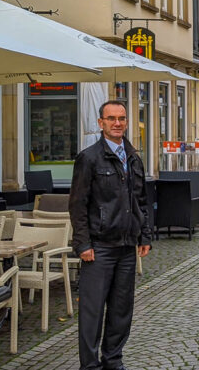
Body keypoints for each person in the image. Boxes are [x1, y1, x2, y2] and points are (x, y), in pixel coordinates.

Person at [69, 100, 152, 370]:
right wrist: (82, 243)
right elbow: (78, 204)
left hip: (127, 245)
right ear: (101, 123)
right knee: (92, 312)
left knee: (121, 310)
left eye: (122, 118)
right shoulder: (89, 157)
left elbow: (141, 199)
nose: (118, 123)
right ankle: (90, 365)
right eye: (112, 118)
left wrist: (145, 235)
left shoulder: (133, 157)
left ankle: (113, 360)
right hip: (99, 247)